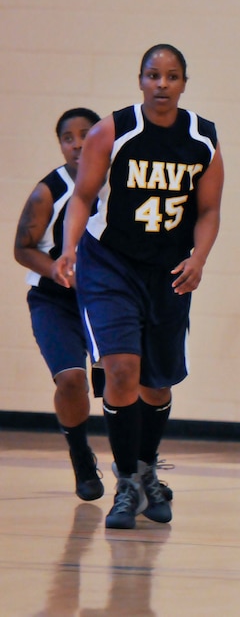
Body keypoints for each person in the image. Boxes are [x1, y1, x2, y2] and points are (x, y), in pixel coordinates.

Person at [53, 44, 224, 530]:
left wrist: (200, 257)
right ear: (141, 80)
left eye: (172, 76)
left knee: (157, 382)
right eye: (153, 75)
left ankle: (147, 470)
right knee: (122, 369)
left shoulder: (202, 138)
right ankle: (126, 481)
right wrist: (68, 250)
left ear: (184, 83)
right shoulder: (114, 129)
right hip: (111, 263)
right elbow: (83, 196)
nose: (162, 84)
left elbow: (209, 210)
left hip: (169, 268)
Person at [15, 107, 105, 501]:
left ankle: (138, 469)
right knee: (71, 380)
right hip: (56, 298)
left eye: (86, 134)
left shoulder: (122, 182)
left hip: (107, 294)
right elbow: (21, 248)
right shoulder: (47, 191)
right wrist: (55, 270)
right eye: (68, 138)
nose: (78, 143)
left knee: (124, 383)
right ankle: (81, 454)